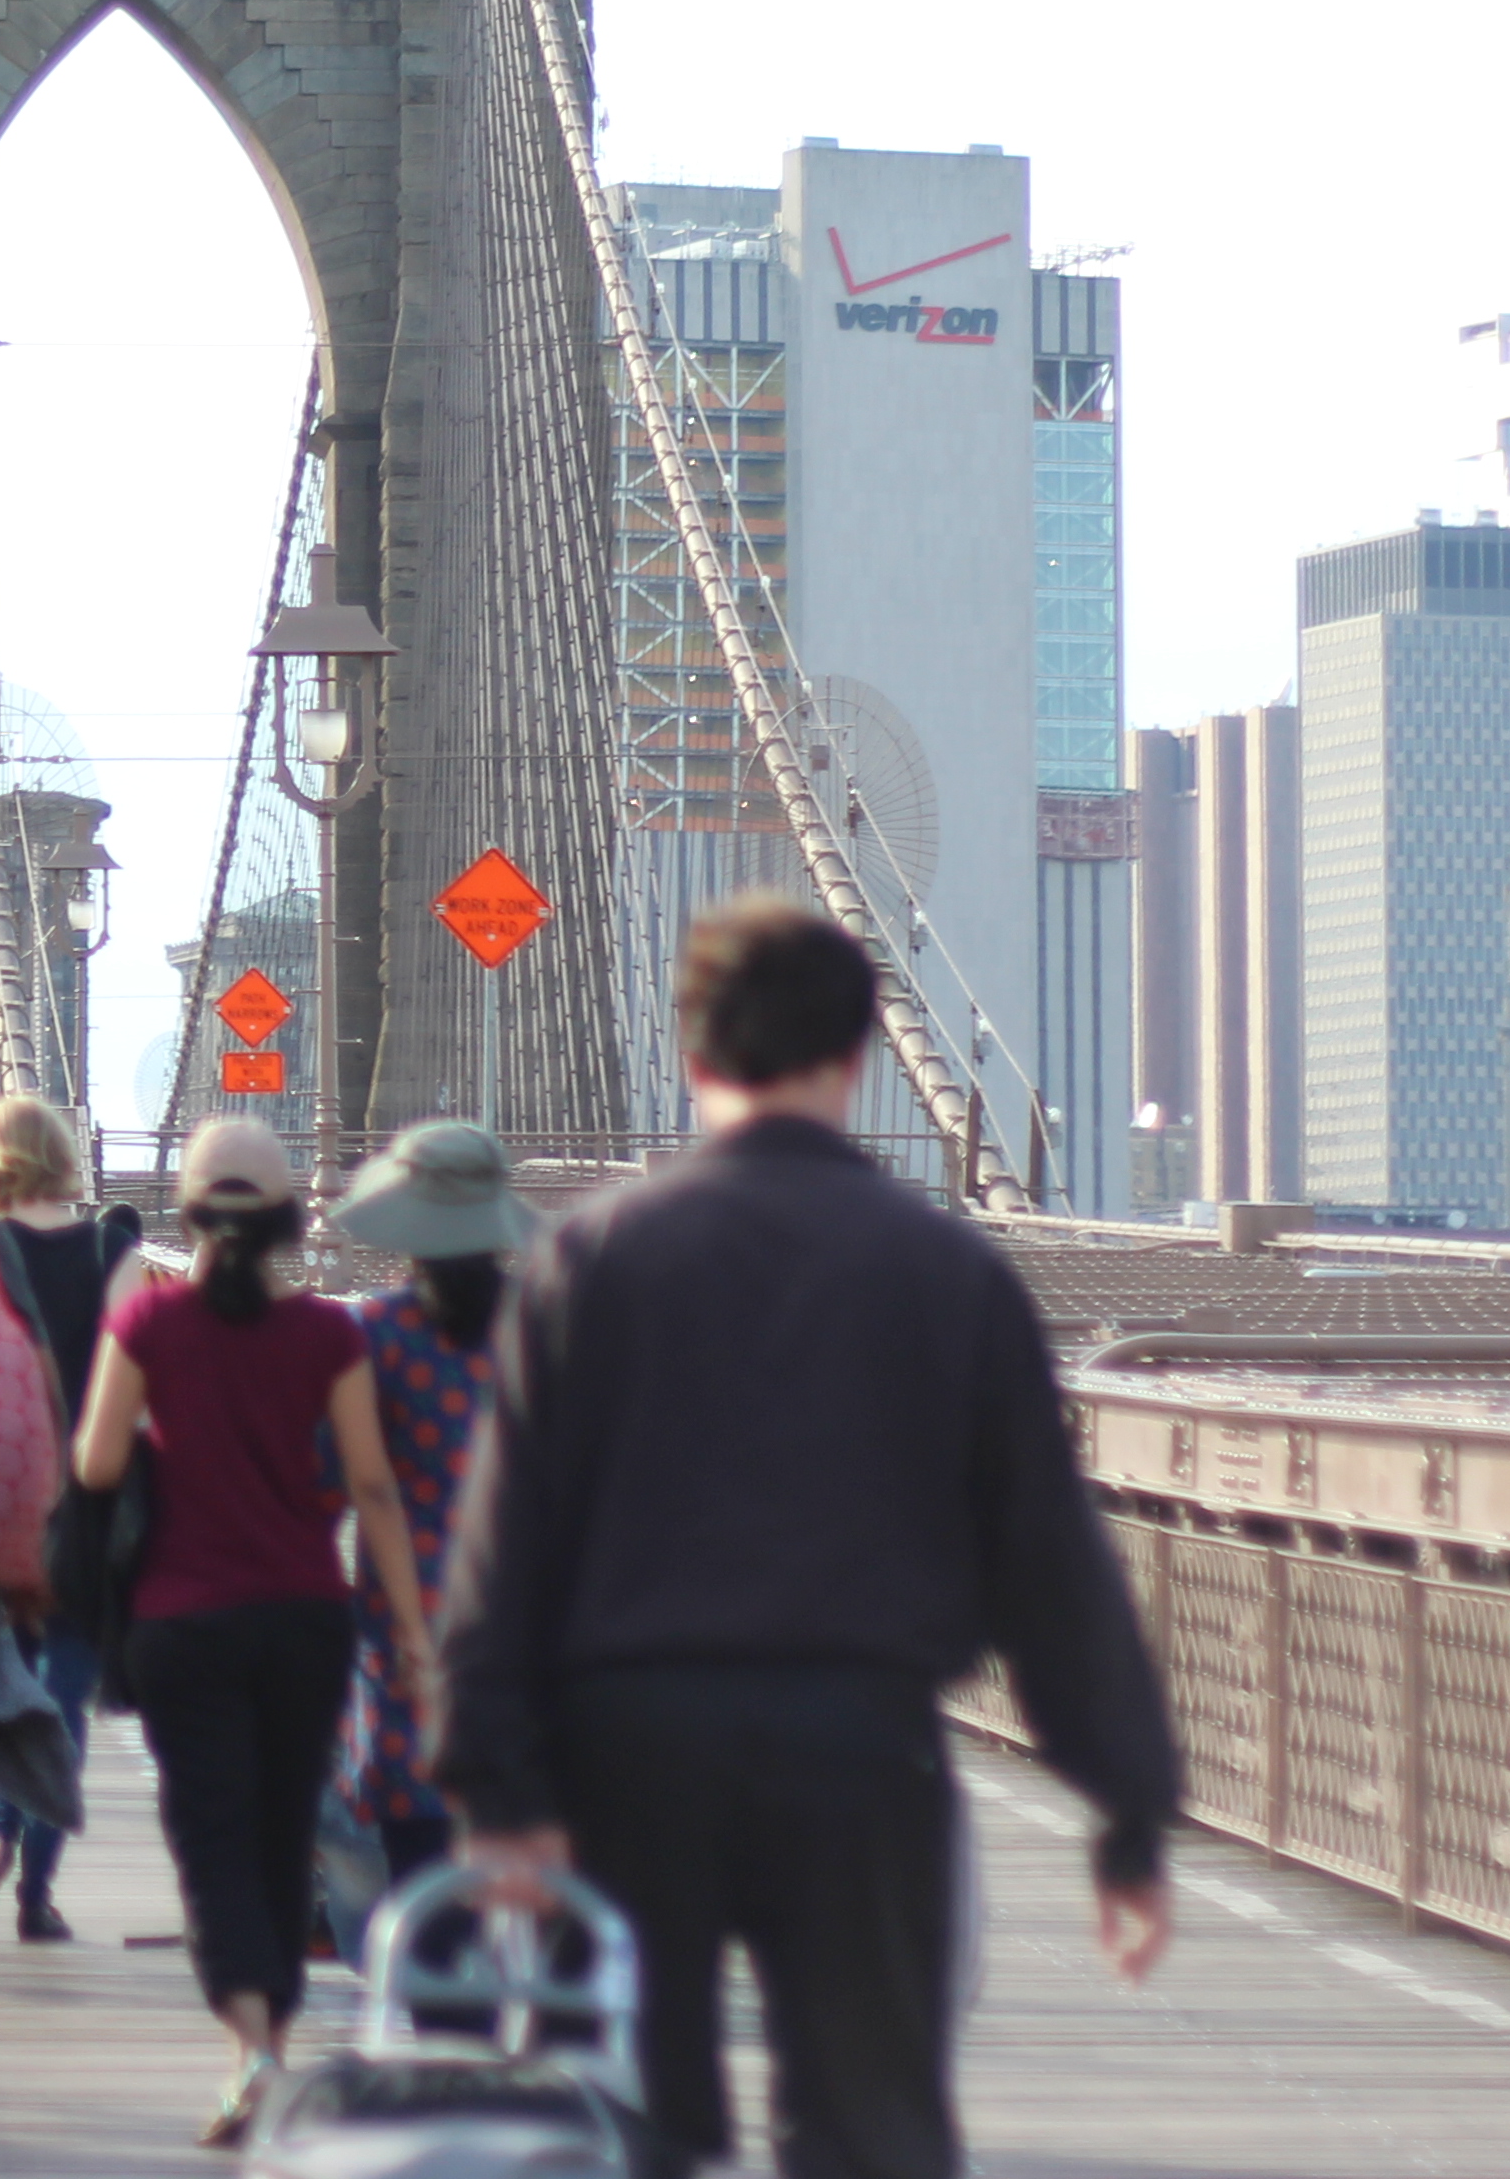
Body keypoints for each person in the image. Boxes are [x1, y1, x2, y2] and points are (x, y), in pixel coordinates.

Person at [437, 898, 1182, 2179]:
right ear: (858, 1056)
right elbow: (1049, 1566)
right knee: (871, 2131)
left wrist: (494, 1786)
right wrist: (1128, 1810)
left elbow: (505, 1547)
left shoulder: (590, 1262)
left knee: (617, 2129)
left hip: (623, 1756)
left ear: (691, 1055)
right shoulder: (949, 1276)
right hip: (861, 1747)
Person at [71, 1118, 433, 2145]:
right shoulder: (330, 1335)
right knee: (285, 1834)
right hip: (306, 1619)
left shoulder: (147, 1327)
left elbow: (96, 1466)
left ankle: (254, 2052)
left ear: (188, 1215)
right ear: (286, 1220)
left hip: (182, 1621)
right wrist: (409, 1628)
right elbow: (371, 1485)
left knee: (210, 1836)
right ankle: (267, 2040)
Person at [326, 1116, 529, 1884]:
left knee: (422, 1861)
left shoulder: (373, 1334)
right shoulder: (546, 1323)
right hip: (525, 1625)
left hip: (407, 1635)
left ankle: (443, 2005)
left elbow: (347, 1486)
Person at [0, 1091, 130, 1944]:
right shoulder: (113, 1246)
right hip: (89, 1499)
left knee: (0, 1685)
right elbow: (142, 1371)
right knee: (63, 1696)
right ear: (63, 1155)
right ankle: (37, 1891)